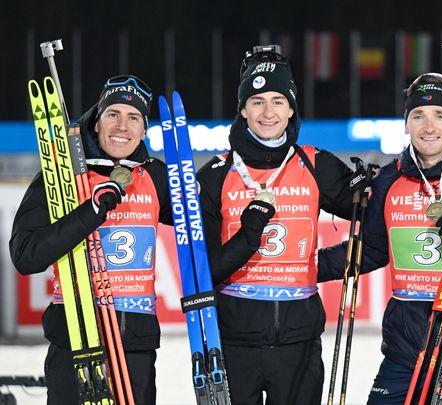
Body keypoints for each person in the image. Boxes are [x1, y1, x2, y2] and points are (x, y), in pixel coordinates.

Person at [319, 73, 442, 405]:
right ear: (406, 124)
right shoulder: (390, 180)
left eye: (440, 115)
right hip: (406, 351)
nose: (429, 126)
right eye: (418, 116)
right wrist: (306, 265)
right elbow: (373, 251)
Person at [196, 46, 355, 404]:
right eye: (257, 101)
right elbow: (203, 271)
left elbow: (376, 221)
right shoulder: (216, 175)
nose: (268, 112)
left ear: (291, 108)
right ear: (242, 110)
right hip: (234, 342)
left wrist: (320, 264)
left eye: (278, 101)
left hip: (299, 343)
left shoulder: (317, 165)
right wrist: (248, 236)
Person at [10, 75, 173, 404]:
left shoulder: (154, 175)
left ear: (144, 130)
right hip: (75, 344)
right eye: (113, 114)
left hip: (135, 352)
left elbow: (208, 224)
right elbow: (26, 256)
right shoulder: (61, 177)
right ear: (96, 122)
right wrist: (91, 211)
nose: (122, 126)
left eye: (134, 118)